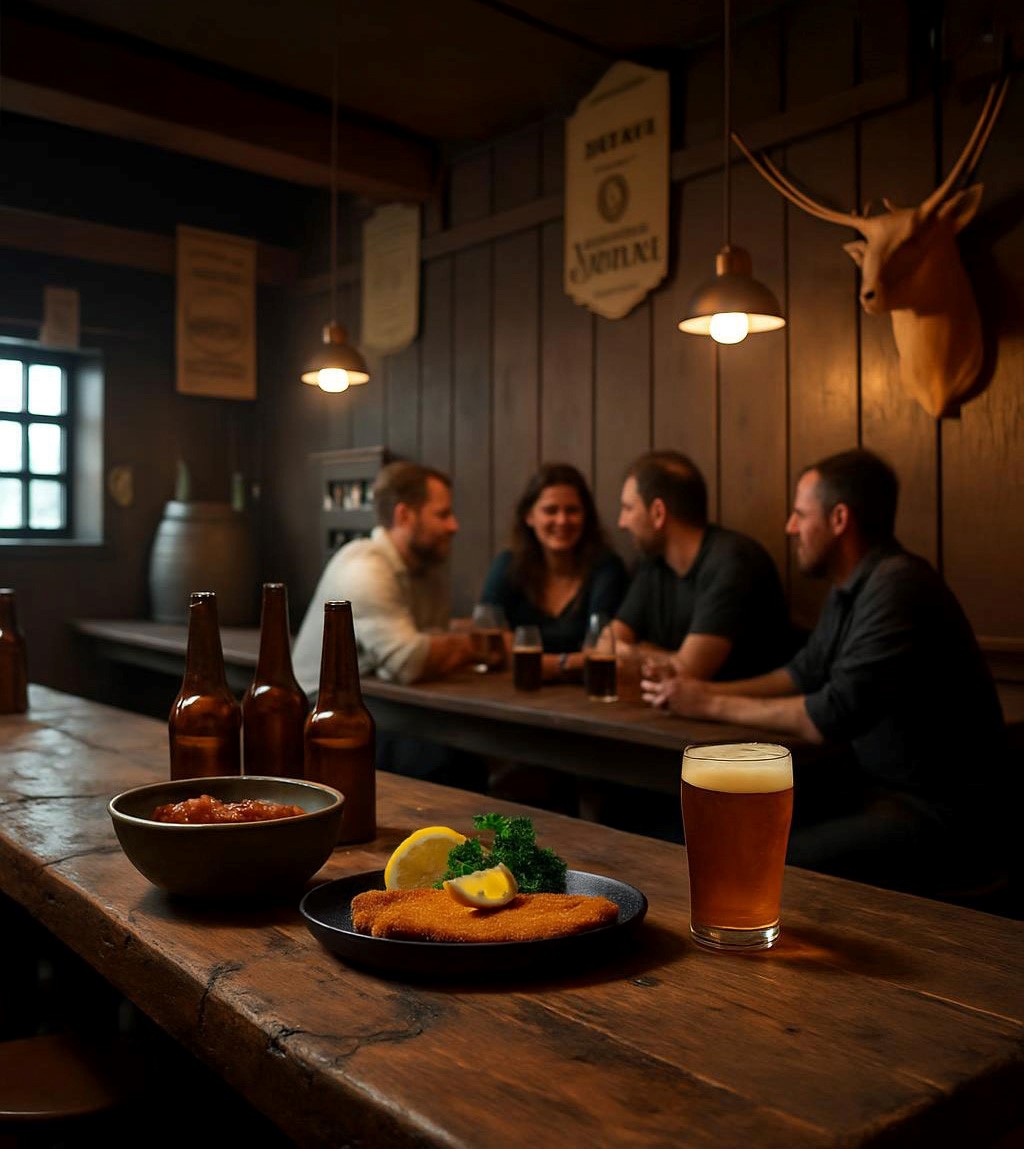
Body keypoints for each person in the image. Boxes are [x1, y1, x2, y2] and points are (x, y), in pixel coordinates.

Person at [642, 447, 1008, 894]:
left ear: (839, 519)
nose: (789, 527)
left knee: (764, 860)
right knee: (678, 826)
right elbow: (801, 673)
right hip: (869, 791)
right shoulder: (853, 586)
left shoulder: (898, 585)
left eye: (799, 514)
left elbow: (826, 715)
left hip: (940, 814)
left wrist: (708, 702)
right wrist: (698, 688)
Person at [293, 460, 478, 691]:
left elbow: (429, 645)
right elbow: (409, 662)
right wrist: (479, 646)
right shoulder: (363, 568)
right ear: (404, 516)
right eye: (442, 515)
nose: (454, 526)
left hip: (377, 702)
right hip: (316, 711)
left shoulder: (426, 568)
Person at [612, 450, 794, 681]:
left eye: (628, 508)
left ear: (658, 513)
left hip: (740, 712)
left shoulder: (733, 562)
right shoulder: (653, 563)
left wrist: (639, 652)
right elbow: (606, 645)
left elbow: (689, 672)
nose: (621, 522)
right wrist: (666, 657)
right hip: (676, 710)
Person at [479, 462, 628, 678]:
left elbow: (602, 649)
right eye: (550, 510)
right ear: (529, 517)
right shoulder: (509, 564)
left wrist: (533, 663)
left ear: (586, 517)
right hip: (513, 695)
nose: (562, 520)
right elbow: (492, 645)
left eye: (572, 510)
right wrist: (569, 663)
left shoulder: (606, 569)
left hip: (587, 697)